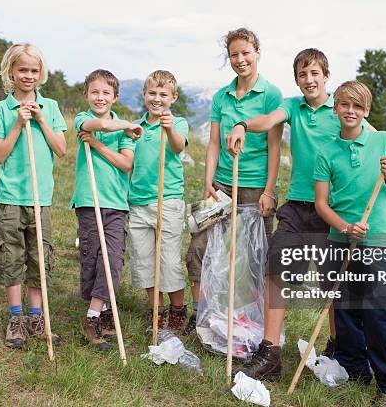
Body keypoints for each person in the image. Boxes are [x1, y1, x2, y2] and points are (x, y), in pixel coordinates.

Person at [230, 49, 368, 379]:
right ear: (297, 80)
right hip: (295, 207)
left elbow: (370, 136)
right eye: (303, 75)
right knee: (275, 270)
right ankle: (270, 351)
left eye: (315, 73)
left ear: (326, 76)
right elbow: (267, 121)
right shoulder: (293, 107)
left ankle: (338, 346)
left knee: (332, 283)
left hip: (332, 211)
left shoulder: (341, 109)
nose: (309, 80)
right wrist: (241, 124)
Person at [314, 81, 386, 405]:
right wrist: (345, 227)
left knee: (378, 311)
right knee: (346, 310)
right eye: (344, 105)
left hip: (377, 238)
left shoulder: (383, 141)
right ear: (336, 108)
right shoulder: (326, 151)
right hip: (340, 239)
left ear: (366, 111)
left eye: (357, 106)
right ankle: (354, 371)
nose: (350, 111)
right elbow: (321, 204)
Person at [185, 27, 283, 333]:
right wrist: (207, 182)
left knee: (255, 255)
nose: (240, 60)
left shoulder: (271, 94)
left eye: (245, 53)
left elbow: (275, 146)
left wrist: (269, 190)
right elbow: (213, 143)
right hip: (223, 185)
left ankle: (253, 318)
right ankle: (201, 313)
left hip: (255, 186)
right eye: (234, 55)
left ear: (257, 53)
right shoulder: (221, 96)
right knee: (200, 248)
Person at [0, 43, 66, 348]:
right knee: (11, 257)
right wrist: (19, 124)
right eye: (22, 70)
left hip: (40, 197)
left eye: (34, 70)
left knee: (38, 257)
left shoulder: (52, 107)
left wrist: (41, 119)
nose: (29, 75)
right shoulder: (1, 110)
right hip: (10, 197)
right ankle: (16, 318)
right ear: (11, 72)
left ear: (40, 73)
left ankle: (37, 316)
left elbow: (60, 150)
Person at [71, 69, 142, 350]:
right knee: (92, 258)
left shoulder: (125, 131)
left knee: (112, 260)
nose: (100, 97)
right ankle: (100, 307)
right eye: (94, 92)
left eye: (106, 93)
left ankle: (93, 315)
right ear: (86, 95)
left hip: (115, 203)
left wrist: (98, 146)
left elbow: (126, 164)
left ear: (115, 97)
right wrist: (122, 125)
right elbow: (95, 126)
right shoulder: (82, 119)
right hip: (89, 201)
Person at [127, 70, 189, 334]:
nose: (157, 98)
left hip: (168, 201)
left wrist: (169, 128)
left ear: (173, 98)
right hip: (139, 202)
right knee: (144, 260)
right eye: (152, 93)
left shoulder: (179, 123)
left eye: (163, 94)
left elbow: (178, 147)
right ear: (144, 95)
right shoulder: (135, 128)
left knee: (169, 261)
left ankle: (177, 310)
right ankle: (157, 311)